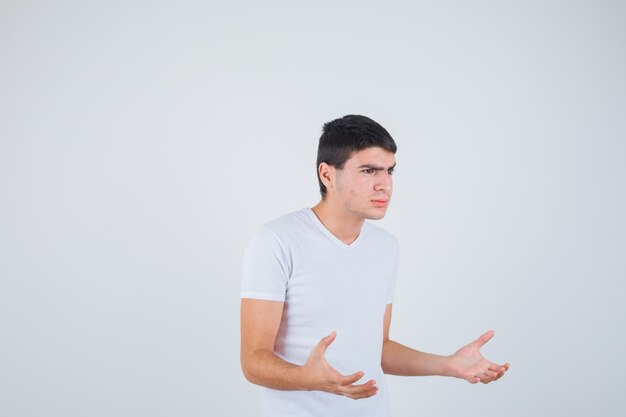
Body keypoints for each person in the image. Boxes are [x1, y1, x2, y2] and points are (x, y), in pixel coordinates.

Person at [240, 114, 510, 417]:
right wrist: (305, 378)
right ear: (327, 175)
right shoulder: (277, 241)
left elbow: (377, 348)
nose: (385, 185)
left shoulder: (385, 247)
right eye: (369, 170)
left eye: (389, 171)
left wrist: (447, 364)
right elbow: (253, 360)